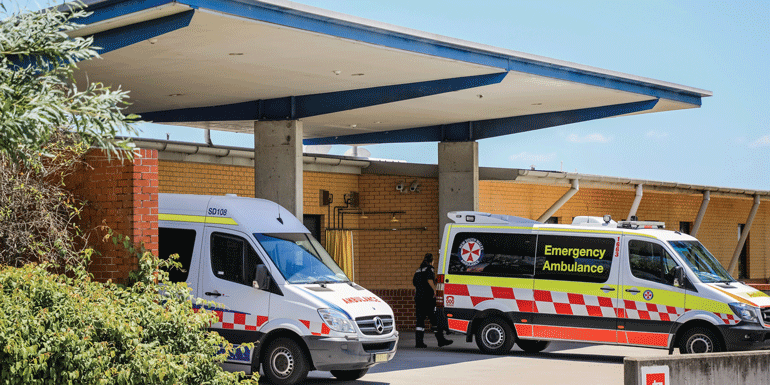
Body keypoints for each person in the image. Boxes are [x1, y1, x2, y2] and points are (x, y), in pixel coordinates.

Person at [413, 253, 453, 348]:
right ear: (432, 261)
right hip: (428, 299)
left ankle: (419, 342)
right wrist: (435, 290)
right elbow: (429, 280)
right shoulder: (429, 268)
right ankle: (441, 340)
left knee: (420, 321)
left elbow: (415, 283)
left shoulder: (418, 270)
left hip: (419, 298)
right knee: (434, 320)